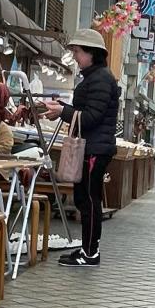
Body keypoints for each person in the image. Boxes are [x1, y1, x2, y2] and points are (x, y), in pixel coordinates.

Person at [43, 29, 120, 268]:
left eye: (77, 51)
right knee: (84, 198)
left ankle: (90, 252)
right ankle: (88, 248)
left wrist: (63, 111)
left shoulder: (101, 79)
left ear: (91, 53)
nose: (75, 56)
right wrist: (62, 108)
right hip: (91, 147)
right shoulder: (94, 77)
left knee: (89, 199)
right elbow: (85, 112)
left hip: (95, 148)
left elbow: (91, 117)